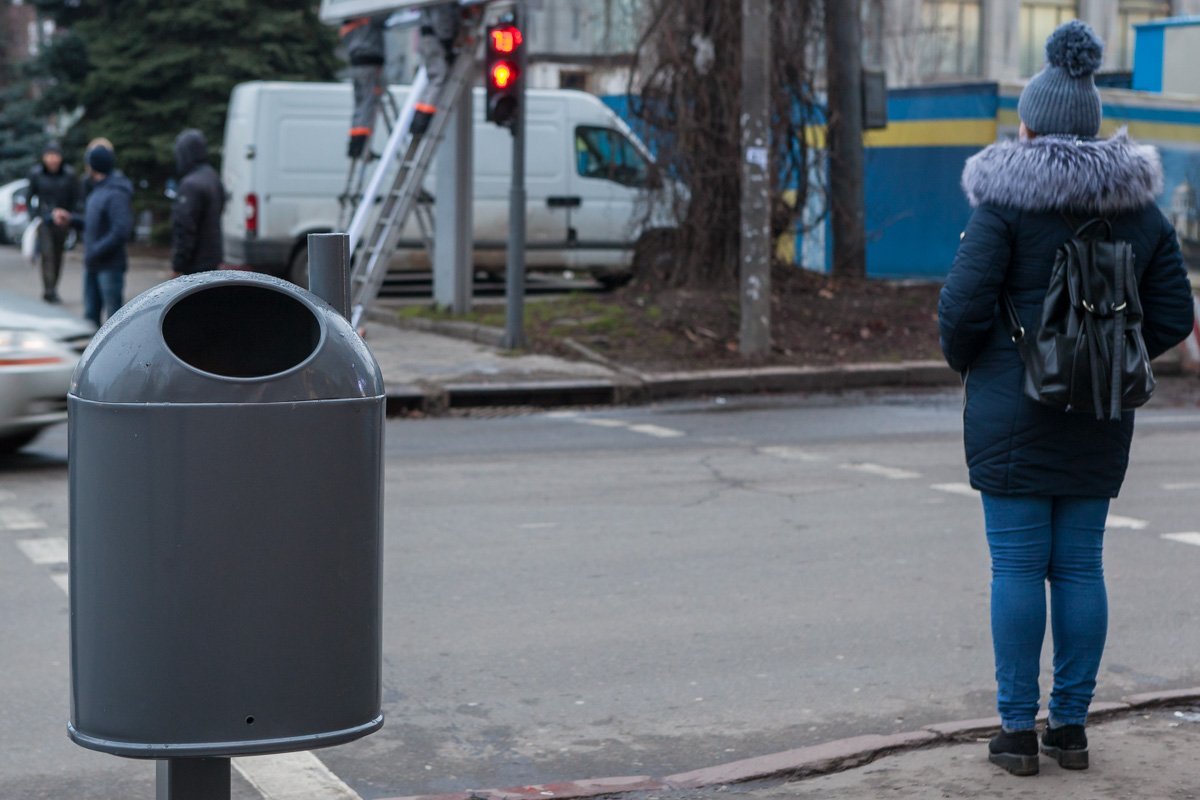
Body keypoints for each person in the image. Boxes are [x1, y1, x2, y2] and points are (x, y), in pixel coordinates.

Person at [938, 20, 1195, 777]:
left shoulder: (1003, 203)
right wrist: (1111, 361)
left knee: (1016, 565)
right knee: (1080, 565)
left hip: (1009, 405)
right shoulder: (1141, 211)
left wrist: (974, 364)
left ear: (1030, 122)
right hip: (1099, 411)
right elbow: (1175, 316)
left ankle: (1018, 734)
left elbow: (963, 307)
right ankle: (1072, 730)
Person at [55, 145, 133, 327]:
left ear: (93, 166)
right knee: (90, 319)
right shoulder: (98, 190)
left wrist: (95, 251)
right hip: (93, 265)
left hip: (109, 267)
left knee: (114, 323)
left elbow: (121, 230)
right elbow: (93, 225)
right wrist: (71, 219)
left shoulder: (116, 193)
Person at [27, 142, 80, 303]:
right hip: (44, 221)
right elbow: (29, 198)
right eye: (49, 156)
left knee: (58, 255)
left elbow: (75, 199)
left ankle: (53, 287)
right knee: (47, 254)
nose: (52, 159)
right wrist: (36, 216)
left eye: (55, 155)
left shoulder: (69, 174)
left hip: (62, 222)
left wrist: (68, 216)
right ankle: (49, 290)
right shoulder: (36, 174)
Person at [170, 129, 225, 276]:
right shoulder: (212, 177)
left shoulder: (190, 184)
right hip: (213, 257)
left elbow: (185, 228)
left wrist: (178, 264)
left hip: (196, 263)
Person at [341, 14, 389, 159]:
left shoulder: (347, 21)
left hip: (356, 65)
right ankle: (362, 147)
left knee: (360, 103)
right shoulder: (368, 15)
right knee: (368, 102)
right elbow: (384, 15)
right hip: (370, 65)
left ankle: (356, 146)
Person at [410, 3, 460, 137]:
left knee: (433, 77)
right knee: (439, 77)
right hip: (435, 38)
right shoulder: (442, 6)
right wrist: (447, 43)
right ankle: (422, 121)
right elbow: (442, 19)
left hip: (427, 37)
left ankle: (419, 120)